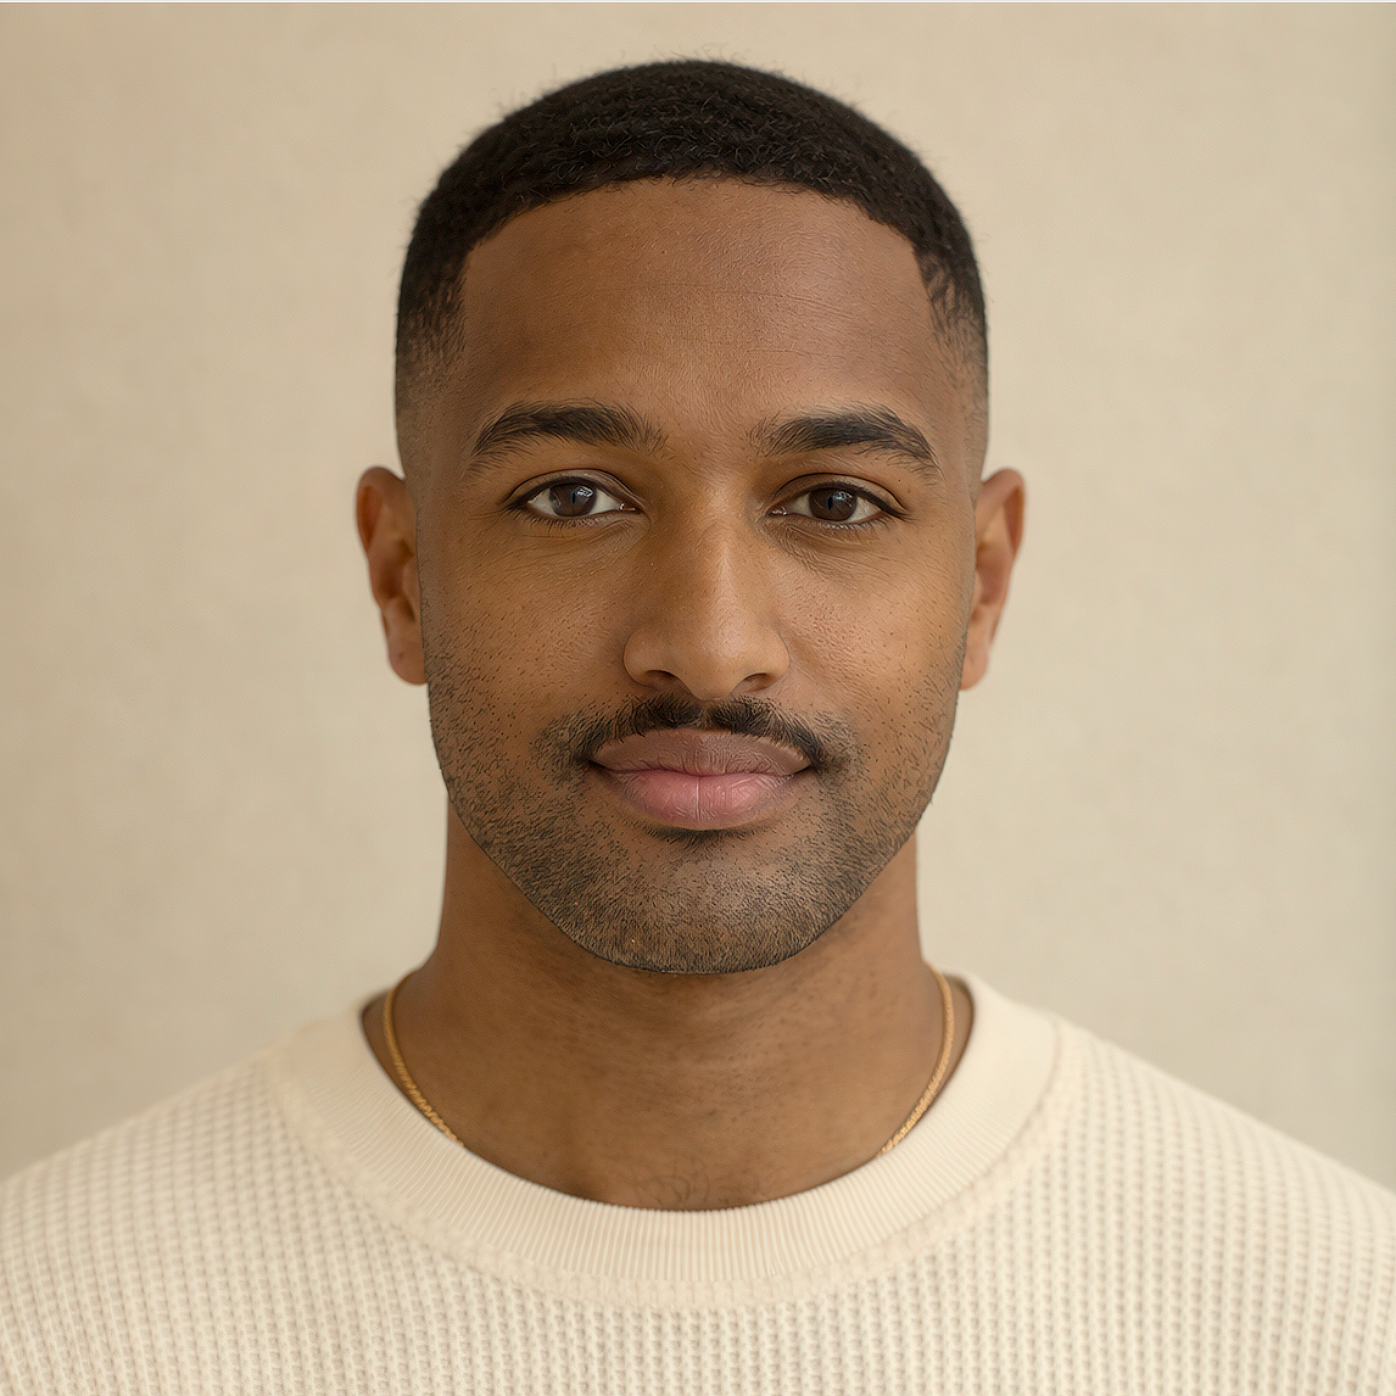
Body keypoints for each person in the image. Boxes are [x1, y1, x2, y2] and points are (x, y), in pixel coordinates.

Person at [1, 59, 1391, 1396]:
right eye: (574, 498)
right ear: (402, 575)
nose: (712, 642)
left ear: (983, 582)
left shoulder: (1333, 1321)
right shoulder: (51, 1323)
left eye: (834, 503)